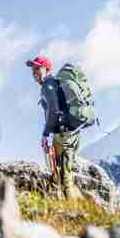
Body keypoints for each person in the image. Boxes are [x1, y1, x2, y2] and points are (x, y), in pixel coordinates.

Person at [26, 56, 82, 199]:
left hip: (64, 134)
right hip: (69, 132)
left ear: (47, 69)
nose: (34, 72)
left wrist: (45, 134)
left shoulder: (48, 84)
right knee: (63, 173)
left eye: (38, 68)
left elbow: (54, 110)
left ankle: (74, 213)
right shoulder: (54, 84)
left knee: (64, 177)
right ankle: (77, 205)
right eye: (33, 69)